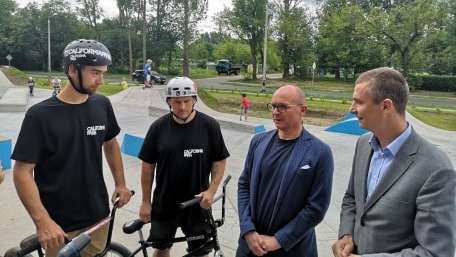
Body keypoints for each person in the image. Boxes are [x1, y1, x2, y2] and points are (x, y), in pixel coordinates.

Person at [11, 39, 132, 257]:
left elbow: (111, 144)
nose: (101, 80)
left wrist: (121, 184)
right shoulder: (40, 115)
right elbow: (22, 172)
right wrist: (43, 221)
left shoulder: (101, 104)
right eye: (95, 72)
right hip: (59, 225)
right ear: (72, 70)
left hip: (99, 216)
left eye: (103, 72)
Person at [332, 67, 456, 257]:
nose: (351, 109)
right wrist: (346, 234)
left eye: (358, 102)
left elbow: (435, 253)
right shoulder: (364, 144)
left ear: (386, 106)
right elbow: (351, 198)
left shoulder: (436, 169)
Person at [237, 85, 334, 256]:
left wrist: (279, 240)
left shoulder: (320, 152)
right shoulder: (258, 142)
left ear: (302, 110)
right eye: (273, 106)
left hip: (292, 250)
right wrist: (248, 230)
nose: (275, 112)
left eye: (283, 107)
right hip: (250, 247)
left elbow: (316, 208)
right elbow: (244, 185)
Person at [138, 76, 230, 257]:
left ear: (195, 100)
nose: (182, 107)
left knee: (200, 251)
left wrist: (211, 190)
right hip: (164, 203)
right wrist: (146, 201)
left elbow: (219, 160)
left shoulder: (209, 126)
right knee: (161, 248)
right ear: (168, 102)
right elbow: (148, 166)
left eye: (187, 101)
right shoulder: (158, 128)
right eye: (177, 102)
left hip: (197, 204)